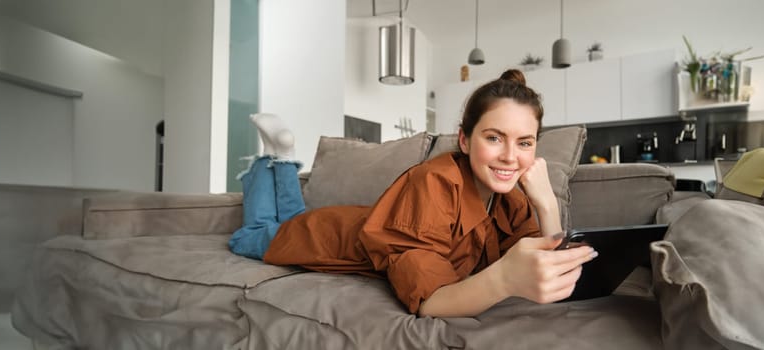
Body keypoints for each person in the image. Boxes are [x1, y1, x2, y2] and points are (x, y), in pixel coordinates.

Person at [229, 69, 598, 317]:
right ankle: (275, 158)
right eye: (494, 138)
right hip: (323, 236)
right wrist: (503, 278)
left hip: (356, 216)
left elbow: (548, 264)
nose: (510, 156)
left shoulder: (512, 196)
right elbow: (431, 301)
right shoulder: (435, 183)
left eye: (525, 142)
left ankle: (281, 158)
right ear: (465, 140)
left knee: (289, 216)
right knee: (250, 235)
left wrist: (546, 201)